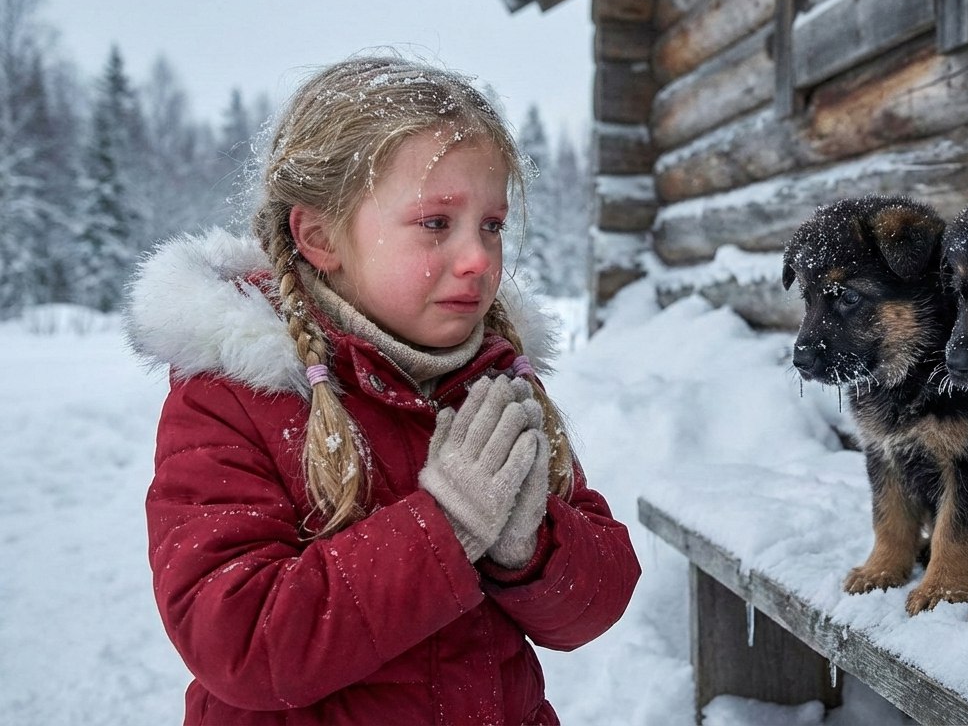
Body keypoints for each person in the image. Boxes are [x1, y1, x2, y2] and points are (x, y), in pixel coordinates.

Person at [125, 55, 640, 725]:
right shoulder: (237, 395)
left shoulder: (494, 383)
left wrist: (531, 542)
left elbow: (592, 605)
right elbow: (240, 641)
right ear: (318, 236)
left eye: (491, 225)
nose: (479, 257)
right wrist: (447, 526)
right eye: (436, 223)